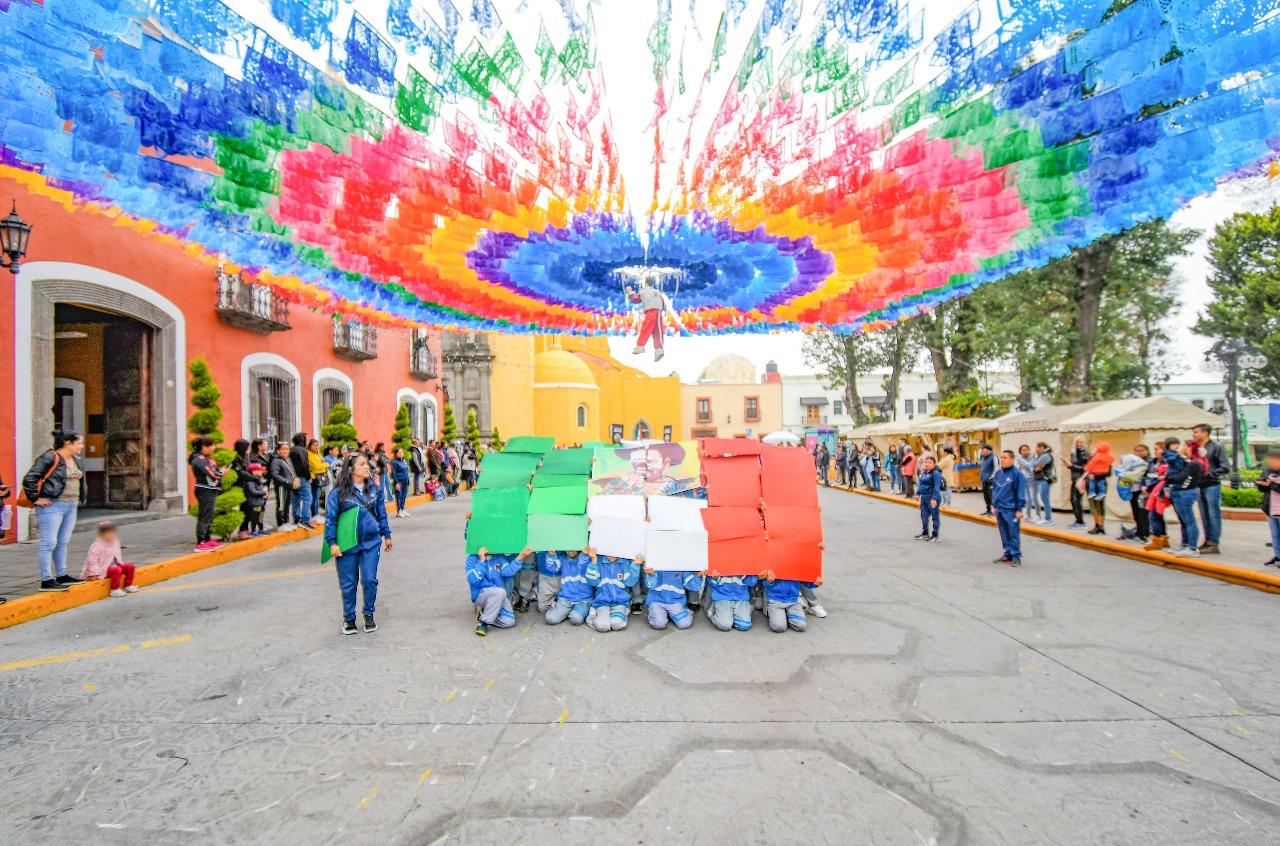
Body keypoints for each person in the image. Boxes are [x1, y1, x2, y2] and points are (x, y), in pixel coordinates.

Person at [326, 452, 393, 635]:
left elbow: (381, 514)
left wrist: (386, 535)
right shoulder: (338, 494)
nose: (367, 467)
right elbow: (331, 520)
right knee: (348, 583)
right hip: (347, 544)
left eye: (367, 464)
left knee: (370, 580)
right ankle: (349, 619)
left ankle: (368, 614)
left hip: (371, 542)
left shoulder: (374, 489)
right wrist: (332, 543)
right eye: (362, 464)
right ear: (350, 469)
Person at [24, 432, 87, 592]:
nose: (81, 446)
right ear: (67, 443)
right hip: (52, 506)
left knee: (62, 542)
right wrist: (35, 498)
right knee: (49, 543)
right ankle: (46, 580)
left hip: (71, 505)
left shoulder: (76, 460)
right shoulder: (49, 457)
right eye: (79, 443)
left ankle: (62, 575)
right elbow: (30, 477)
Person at [467, 546, 523, 636]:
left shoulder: (499, 557)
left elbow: (507, 572)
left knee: (509, 622)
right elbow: (473, 580)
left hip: (498, 596)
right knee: (500, 592)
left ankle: (485, 613)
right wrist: (481, 560)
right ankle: (483, 622)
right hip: (481, 594)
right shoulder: (472, 558)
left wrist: (520, 558)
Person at [1191, 423, 1227, 554]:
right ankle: (1207, 541)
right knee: (1204, 515)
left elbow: (1224, 466)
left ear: (1205, 433)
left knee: (1213, 514)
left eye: (1196, 432)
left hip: (1212, 484)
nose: (1194, 434)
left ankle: (1214, 542)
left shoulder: (1216, 447)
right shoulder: (1195, 448)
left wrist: (1209, 473)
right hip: (1199, 484)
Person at [1166, 439, 1205, 557]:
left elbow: (1180, 477)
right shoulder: (1188, 462)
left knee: (1189, 521)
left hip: (1185, 493)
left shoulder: (1194, 464)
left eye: (1185, 447)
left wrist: (1168, 477)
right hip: (1181, 492)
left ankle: (1192, 547)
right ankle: (1185, 544)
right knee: (1184, 521)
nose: (1182, 448)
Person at [585, 553, 642, 632]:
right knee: (603, 627)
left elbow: (630, 583)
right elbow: (592, 582)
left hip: (620, 603)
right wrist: (593, 563)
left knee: (616, 625)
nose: (611, 554)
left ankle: (620, 613)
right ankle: (593, 615)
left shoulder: (625, 563)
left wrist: (635, 565)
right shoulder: (598, 561)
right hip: (602, 603)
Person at [80, 521, 137, 597]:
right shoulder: (97, 545)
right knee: (117, 570)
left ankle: (127, 585)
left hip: (114, 566)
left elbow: (117, 555)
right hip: (101, 569)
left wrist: (120, 563)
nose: (112, 536)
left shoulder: (115, 542)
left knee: (130, 567)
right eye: (109, 534)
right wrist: (93, 573)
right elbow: (92, 560)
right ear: (102, 535)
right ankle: (114, 589)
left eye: (113, 533)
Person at [991, 449, 1027, 567]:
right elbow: (995, 491)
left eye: (1005, 457)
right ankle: (1008, 554)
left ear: (1012, 459)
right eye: (1001, 457)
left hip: (1011, 509)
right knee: (1004, 533)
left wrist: (1019, 509)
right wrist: (994, 505)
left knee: (1013, 533)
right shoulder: (998, 474)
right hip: (1000, 508)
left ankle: (1016, 556)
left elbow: (1020, 492)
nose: (1002, 460)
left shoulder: (1017, 474)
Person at [189, 437, 225, 552]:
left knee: (209, 515)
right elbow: (214, 473)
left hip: (210, 489)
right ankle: (201, 542)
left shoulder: (205, 459)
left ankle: (208, 539)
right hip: (205, 490)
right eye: (212, 445)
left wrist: (220, 472)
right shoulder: (199, 460)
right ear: (204, 447)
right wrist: (222, 472)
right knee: (205, 516)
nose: (214, 447)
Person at [545, 547, 595, 626]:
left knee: (576, 619)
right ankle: (565, 610)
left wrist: (584, 554)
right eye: (567, 548)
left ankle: (579, 611)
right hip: (565, 599)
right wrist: (551, 555)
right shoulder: (563, 560)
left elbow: (583, 565)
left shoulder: (586, 559)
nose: (570, 551)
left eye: (573, 548)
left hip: (583, 600)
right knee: (550, 619)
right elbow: (552, 568)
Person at [627, 279, 671, 362]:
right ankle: (658, 349)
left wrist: (630, 292)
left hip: (649, 312)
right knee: (657, 330)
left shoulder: (642, 291)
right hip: (657, 311)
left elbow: (635, 299)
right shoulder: (657, 292)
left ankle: (641, 346)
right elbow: (662, 303)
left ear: (645, 283)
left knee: (647, 328)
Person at [1082, 441, 1115, 535]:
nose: (1093, 450)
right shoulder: (1092, 460)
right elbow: (1086, 472)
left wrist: (1095, 476)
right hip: (1092, 484)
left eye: (1095, 448)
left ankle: (1100, 526)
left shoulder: (1104, 459)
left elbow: (1108, 473)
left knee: (1100, 505)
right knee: (1093, 505)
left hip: (1100, 483)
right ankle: (1097, 525)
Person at [1255, 449, 1280, 567]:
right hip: (1270, 507)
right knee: (1275, 534)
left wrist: (1271, 484)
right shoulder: (1267, 471)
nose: (1272, 462)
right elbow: (1262, 488)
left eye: (1275, 460)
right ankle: (1278, 555)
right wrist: (1261, 484)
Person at [287, 433, 314, 529]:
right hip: (302, 477)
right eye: (306, 439)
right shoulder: (302, 450)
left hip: (292, 478)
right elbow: (304, 465)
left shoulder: (291, 450)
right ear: (302, 440)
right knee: (307, 498)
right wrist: (308, 476)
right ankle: (305, 520)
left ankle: (297, 518)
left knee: (295, 498)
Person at [914, 454, 943, 542]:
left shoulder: (936, 473)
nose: (927, 464)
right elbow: (920, 484)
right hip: (924, 498)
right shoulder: (924, 473)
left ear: (934, 464)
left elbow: (937, 487)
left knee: (935, 517)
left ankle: (935, 535)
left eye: (930, 462)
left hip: (932, 497)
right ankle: (925, 534)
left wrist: (934, 498)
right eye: (926, 462)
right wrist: (917, 494)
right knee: (924, 517)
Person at [269, 442, 297, 529]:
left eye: (287, 449)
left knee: (287, 505)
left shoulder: (287, 459)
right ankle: (280, 525)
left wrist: (294, 480)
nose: (286, 451)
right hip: (281, 486)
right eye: (283, 449)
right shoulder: (276, 461)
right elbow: (275, 474)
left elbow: (291, 472)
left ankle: (286, 522)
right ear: (278, 450)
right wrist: (287, 481)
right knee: (281, 505)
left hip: (289, 486)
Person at [230, 439, 254, 540]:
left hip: (246, 485)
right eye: (247, 447)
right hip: (237, 486)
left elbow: (248, 469)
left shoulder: (245, 457)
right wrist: (253, 477)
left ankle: (244, 528)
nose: (248, 449)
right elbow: (240, 472)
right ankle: (242, 530)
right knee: (244, 508)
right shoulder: (234, 458)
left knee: (248, 508)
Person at [1064, 436, 1090, 529]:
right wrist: (1069, 465)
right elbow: (1076, 465)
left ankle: (1080, 522)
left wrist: (1071, 466)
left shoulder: (1085, 453)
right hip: (1076, 479)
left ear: (1084, 443)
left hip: (1081, 479)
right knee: (1074, 500)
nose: (1079, 444)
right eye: (1077, 442)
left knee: (1075, 500)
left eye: (1081, 442)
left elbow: (1085, 468)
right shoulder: (1074, 452)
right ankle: (1079, 520)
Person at [1030, 442, 1056, 526]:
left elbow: (1034, 464)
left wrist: (1034, 457)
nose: (1035, 450)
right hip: (1044, 479)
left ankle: (1049, 519)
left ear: (1041, 447)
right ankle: (1047, 518)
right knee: (1044, 498)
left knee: (1045, 498)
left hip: (1045, 479)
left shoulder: (1045, 456)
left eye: (1037, 448)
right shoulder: (1044, 455)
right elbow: (1036, 467)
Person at [243, 462, 269, 536]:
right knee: (254, 517)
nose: (261, 471)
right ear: (254, 472)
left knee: (260, 516)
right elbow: (253, 491)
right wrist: (263, 492)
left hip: (260, 501)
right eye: (259, 470)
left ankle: (261, 529)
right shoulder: (250, 481)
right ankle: (253, 530)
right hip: (255, 502)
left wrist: (264, 493)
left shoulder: (258, 479)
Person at [1015, 444, 1039, 523]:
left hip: (1032, 481)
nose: (1025, 452)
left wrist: (1021, 461)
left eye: (1027, 450)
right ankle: (1028, 516)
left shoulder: (1033, 458)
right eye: (1023, 450)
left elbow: (1030, 466)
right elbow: (1017, 470)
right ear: (1020, 452)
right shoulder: (1019, 459)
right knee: (1027, 500)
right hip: (1024, 481)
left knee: (1033, 499)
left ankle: (1039, 515)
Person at [307, 439, 327, 523]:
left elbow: (321, 465)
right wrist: (326, 464)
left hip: (319, 477)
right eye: (314, 445)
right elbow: (316, 466)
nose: (316, 447)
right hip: (314, 478)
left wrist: (322, 465)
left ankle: (316, 514)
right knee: (314, 497)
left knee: (317, 497)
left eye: (317, 445)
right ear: (310, 446)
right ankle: (313, 515)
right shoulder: (309, 454)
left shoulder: (318, 454)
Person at [390, 447, 411, 517]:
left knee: (404, 496)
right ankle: (398, 511)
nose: (401, 453)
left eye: (402, 452)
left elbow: (406, 471)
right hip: (399, 481)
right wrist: (396, 483)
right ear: (396, 454)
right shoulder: (394, 462)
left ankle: (402, 509)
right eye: (399, 452)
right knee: (399, 496)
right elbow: (394, 473)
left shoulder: (403, 461)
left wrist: (408, 480)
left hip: (405, 481)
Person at [978, 444, 996, 516]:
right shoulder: (983, 458)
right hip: (984, 480)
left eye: (983, 450)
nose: (982, 451)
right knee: (986, 496)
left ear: (988, 450)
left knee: (992, 495)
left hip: (991, 480)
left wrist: (991, 477)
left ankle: (994, 511)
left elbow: (996, 468)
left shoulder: (994, 457)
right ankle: (988, 509)